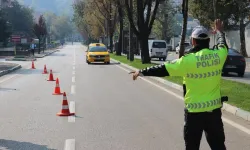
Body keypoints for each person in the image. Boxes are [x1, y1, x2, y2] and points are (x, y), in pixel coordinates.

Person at [130, 19, 228, 150]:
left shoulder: (187, 61)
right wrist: (220, 31)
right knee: (219, 147)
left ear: (193, 41)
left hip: (194, 114)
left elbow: (163, 69)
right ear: (209, 41)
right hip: (214, 113)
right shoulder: (218, 56)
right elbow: (223, 45)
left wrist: (141, 72)